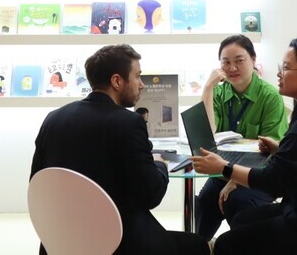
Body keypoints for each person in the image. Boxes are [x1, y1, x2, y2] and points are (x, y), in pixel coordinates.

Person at [30, 44, 208, 255]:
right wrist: (160, 163)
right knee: (197, 245)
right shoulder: (129, 123)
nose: (142, 84)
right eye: (137, 76)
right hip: (118, 242)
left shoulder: (53, 119)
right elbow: (151, 195)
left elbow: (38, 182)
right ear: (117, 81)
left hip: (60, 241)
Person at [190, 37, 297, 255]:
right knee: (234, 214)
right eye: (225, 62)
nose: (279, 73)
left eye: (287, 68)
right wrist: (281, 150)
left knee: (226, 243)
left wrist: (224, 168)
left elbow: (274, 182)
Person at [194, 35, 289, 241]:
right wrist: (208, 88)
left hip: (260, 176)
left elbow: (274, 152)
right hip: (223, 172)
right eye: (225, 62)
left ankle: (242, 246)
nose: (232, 67)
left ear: (253, 60)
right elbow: (207, 133)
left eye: (239, 60)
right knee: (204, 203)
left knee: (236, 202)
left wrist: (237, 179)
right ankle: (198, 247)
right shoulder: (220, 93)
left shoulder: (269, 96)